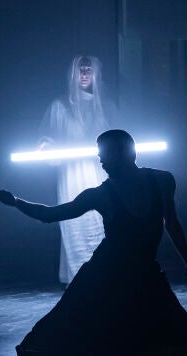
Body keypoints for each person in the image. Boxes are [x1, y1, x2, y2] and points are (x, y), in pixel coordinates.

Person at [0, 129, 187, 356]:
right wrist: (15, 202)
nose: (100, 160)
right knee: (64, 339)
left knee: (180, 331)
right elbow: (50, 215)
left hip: (144, 274)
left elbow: (173, 225)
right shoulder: (100, 194)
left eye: (104, 154)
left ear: (126, 152)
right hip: (103, 276)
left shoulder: (162, 181)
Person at [39, 55, 117, 283]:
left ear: (96, 74)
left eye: (88, 70)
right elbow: (47, 139)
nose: (84, 74)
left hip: (100, 174)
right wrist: (47, 147)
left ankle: (105, 277)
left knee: (101, 224)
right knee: (75, 224)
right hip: (73, 176)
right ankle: (78, 280)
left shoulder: (108, 107)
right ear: (73, 74)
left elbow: (120, 138)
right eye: (80, 70)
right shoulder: (60, 106)